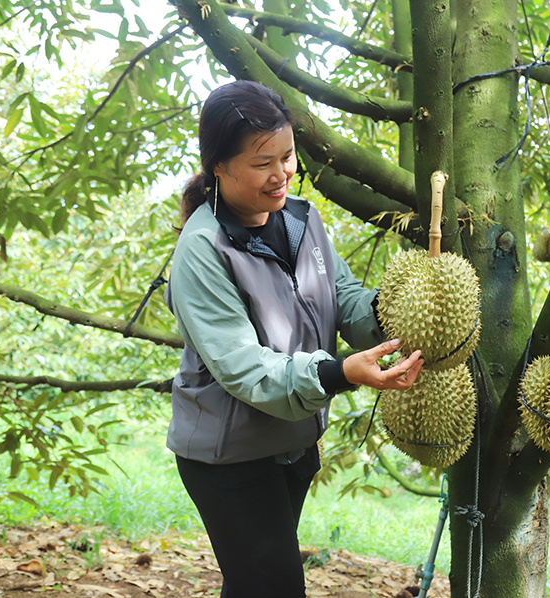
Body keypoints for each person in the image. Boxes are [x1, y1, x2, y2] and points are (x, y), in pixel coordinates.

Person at [165, 80, 423, 597]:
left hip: (294, 444)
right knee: (275, 587)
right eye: (263, 163)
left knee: (253, 586)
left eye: (287, 156)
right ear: (219, 166)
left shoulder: (304, 218)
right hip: (228, 457)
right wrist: (341, 372)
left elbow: (341, 294)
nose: (282, 173)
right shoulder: (202, 250)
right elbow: (244, 368)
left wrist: (399, 311)